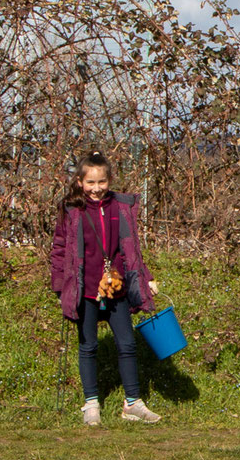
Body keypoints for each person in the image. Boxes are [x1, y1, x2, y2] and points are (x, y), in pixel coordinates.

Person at [48, 153, 162, 427]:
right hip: (84, 288)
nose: (96, 188)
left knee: (127, 344)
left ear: (110, 180)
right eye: (90, 182)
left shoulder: (120, 208)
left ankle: (132, 402)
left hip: (116, 286)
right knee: (88, 346)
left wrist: (145, 278)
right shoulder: (71, 210)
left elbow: (132, 249)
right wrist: (59, 284)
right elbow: (59, 249)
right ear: (80, 181)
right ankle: (91, 403)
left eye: (102, 181)